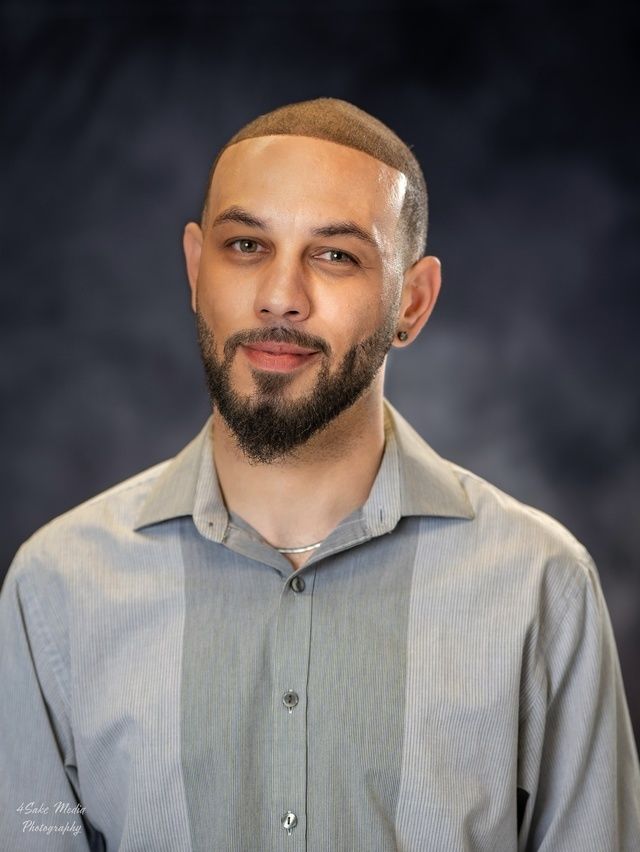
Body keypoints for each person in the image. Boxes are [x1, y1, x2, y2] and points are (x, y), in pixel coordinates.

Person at [1, 97, 638, 852]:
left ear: (412, 302)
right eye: (246, 245)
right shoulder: (56, 589)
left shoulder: (542, 586)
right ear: (196, 268)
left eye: (335, 255)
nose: (280, 296)